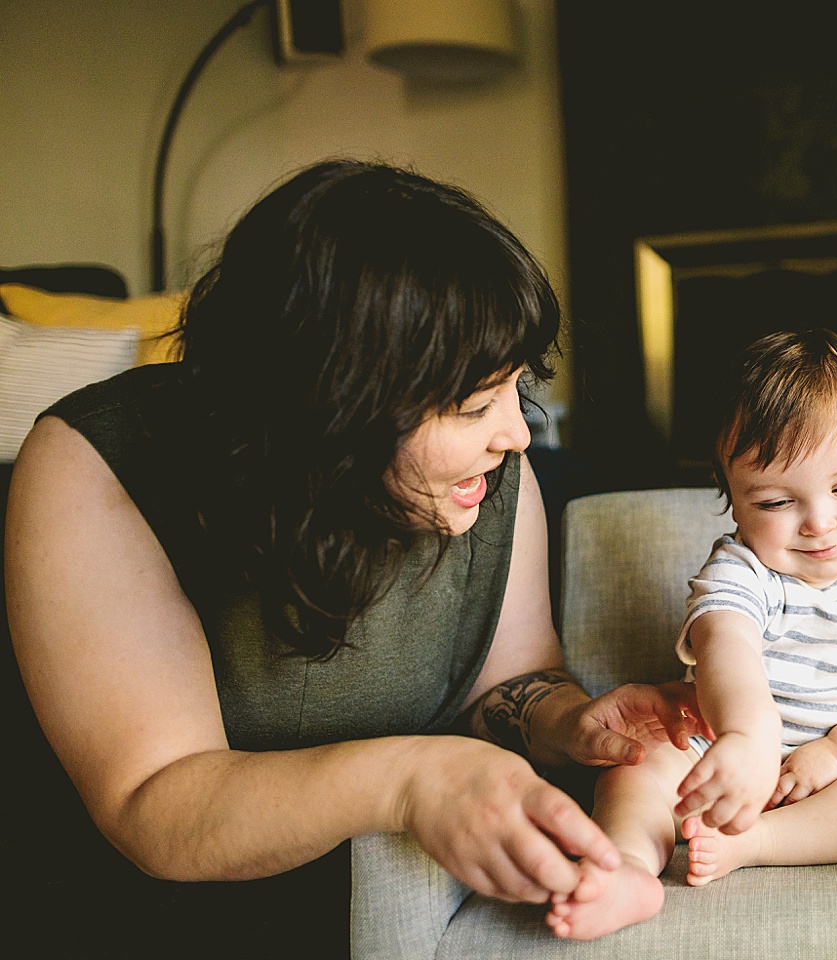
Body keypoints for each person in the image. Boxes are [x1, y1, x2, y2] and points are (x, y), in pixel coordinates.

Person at [5, 160, 703, 958]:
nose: (515, 433)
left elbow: (510, 682)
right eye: (474, 404)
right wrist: (413, 780)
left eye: (516, 388)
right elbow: (153, 804)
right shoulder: (98, 461)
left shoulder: (491, 473)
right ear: (340, 405)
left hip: (390, 891)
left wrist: (571, 720)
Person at [545, 329, 837, 941]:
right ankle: (627, 867)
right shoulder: (742, 569)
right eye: (777, 502)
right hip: (721, 754)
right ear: (733, 503)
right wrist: (746, 739)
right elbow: (725, 643)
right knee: (638, 765)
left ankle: (759, 842)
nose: (819, 522)